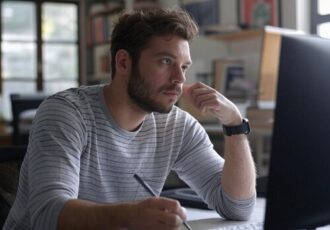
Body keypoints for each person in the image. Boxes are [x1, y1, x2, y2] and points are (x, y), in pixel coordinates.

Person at [3, 8, 256, 230]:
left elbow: (236, 208)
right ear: (123, 62)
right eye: (166, 61)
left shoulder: (178, 126)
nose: (179, 79)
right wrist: (130, 216)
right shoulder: (66, 113)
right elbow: (47, 216)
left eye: (184, 66)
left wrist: (235, 125)